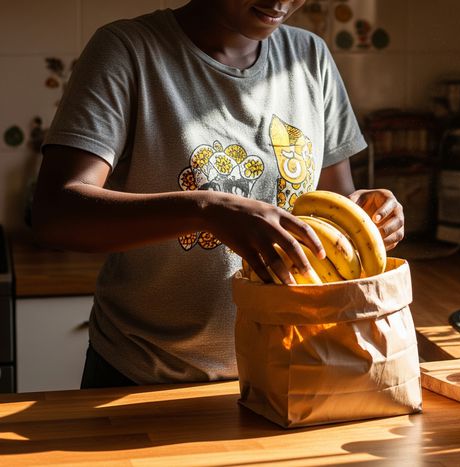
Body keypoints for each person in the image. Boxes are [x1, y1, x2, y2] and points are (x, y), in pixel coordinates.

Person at [31, 0, 404, 389]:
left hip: (285, 372)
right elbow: (56, 214)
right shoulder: (128, 50)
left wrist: (367, 215)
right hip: (145, 378)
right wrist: (205, 209)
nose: (281, 1)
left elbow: (333, 209)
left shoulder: (309, 58)